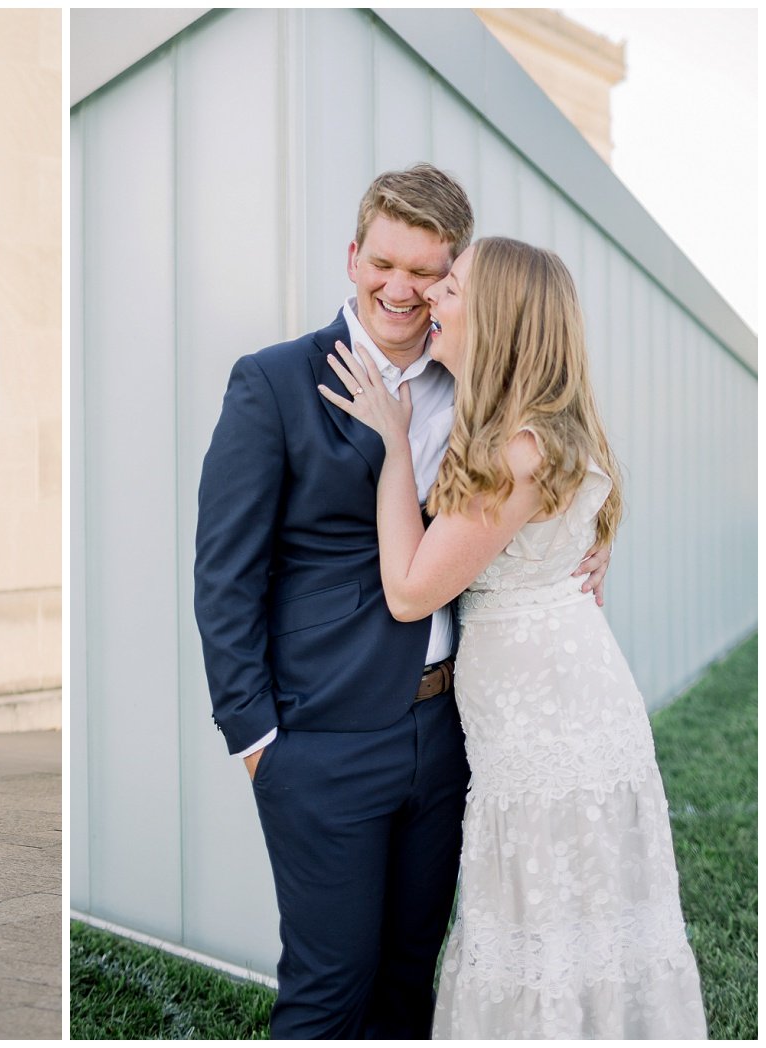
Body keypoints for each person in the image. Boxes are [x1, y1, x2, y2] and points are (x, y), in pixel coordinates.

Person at [192, 164, 609, 1038]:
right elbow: (225, 577)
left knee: (411, 980)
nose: (401, 289)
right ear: (353, 256)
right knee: (329, 989)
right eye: (384, 263)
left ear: (455, 276)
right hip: (322, 743)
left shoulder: (479, 388)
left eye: (426, 273)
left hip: (453, 735)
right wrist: (259, 741)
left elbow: (553, 459)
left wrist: (593, 539)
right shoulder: (271, 383)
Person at [320, 237, 706, 1038]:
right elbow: (570, 535)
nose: (432, 299)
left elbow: (409, 591)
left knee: (552, 932)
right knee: (573, 927)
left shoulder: (515, 447)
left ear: (494, 320)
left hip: (549, 730)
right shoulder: (540, 431)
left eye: (451, 289)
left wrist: (393, 442)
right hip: (563, 706)